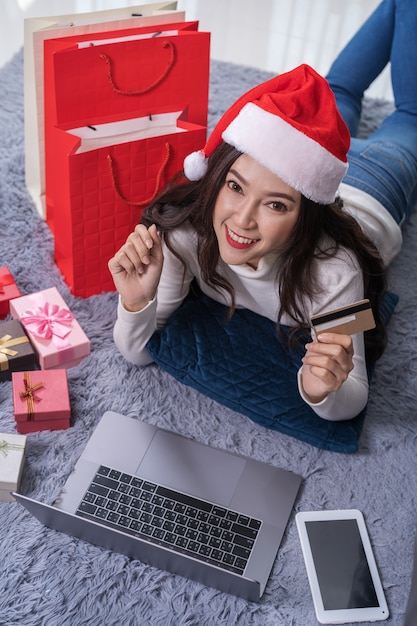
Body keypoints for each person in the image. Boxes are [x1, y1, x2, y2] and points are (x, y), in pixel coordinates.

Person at [108, 0, 417, 423]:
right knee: (337, 93)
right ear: (216, 177)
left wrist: (320, 389)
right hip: (311, 164)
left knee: (410, 115)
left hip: (375, 190)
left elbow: (354, 392)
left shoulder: (336, 272)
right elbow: (138, 352)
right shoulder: (185, 236)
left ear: (302, 216)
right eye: (235, 187)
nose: (242, 220)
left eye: (275, 204)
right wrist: (136, 301)